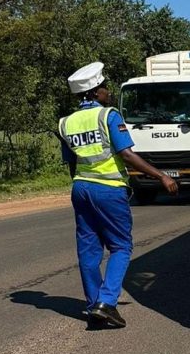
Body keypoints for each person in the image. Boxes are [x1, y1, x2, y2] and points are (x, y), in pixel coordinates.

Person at [59, 62, 178, 329]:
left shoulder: (65, 123)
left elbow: (71, 163)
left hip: (81, 188)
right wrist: (161, 176)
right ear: (95, 92)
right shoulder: (108, 116)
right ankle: (106, 302)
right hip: (109, 188)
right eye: (104, 88)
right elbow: (126, 154)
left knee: (88, 250)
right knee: (121, 247)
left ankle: (93, 306)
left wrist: (83, 187)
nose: (108, 92)